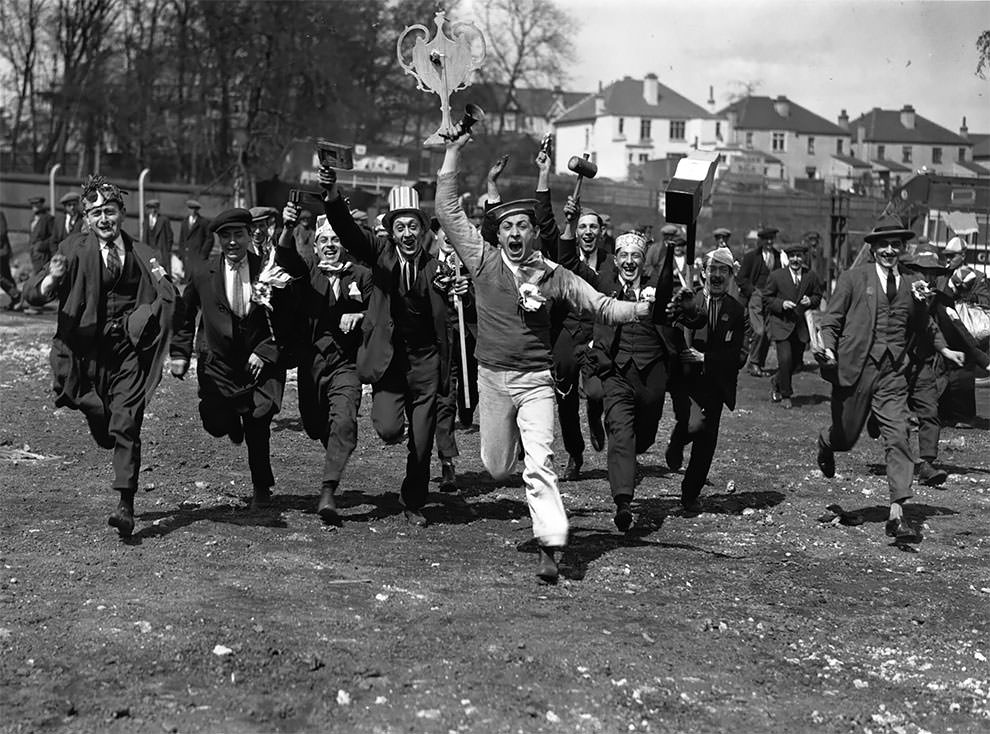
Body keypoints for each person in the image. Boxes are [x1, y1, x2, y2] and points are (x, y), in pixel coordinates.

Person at [435, 132, 651, 583]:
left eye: (523, 227)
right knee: (497, 467)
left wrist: (642, 308)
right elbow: (447, 211)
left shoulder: (555, 276)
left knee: (540, 463)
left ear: (535, 232)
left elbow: (602, 306)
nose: (515, 233)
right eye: (507, 227)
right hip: (492, 379)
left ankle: (551, 545)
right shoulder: (482, 260)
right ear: (499, 233)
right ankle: (509, 453)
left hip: (535, 381)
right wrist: (454, 151)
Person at [21, 176, 175, 537]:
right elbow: (34, 292)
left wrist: (154, 314)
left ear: (122, 213)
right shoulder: (73, 248)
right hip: (86, 354)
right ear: (86, 219)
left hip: (127, 353)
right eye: (96, 214)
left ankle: (125, 503)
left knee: (126, 422)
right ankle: (98, 417)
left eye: (110, 211)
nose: (104, 219)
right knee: (102, 422)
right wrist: (51, 280)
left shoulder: (144, 253)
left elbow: (166, 293)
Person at [318, 170, 451, 528]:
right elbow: (347, 230)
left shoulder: (437, 269)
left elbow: (450, 311)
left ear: (423, 231)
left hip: (425, 362)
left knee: (422, 444)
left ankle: (413, 501)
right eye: (400, 228)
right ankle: (397, 425)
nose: (407, 234)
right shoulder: (380, 255)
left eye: (413, 227)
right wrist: (332, 194)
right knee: (389, 429)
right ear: (391, 232)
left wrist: (457, 293)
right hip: (389, 361)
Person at [815, 221, 948, 541]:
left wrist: (946, 349)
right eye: (884, 245)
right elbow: (831, 321)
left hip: (892, 374)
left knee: (899, 434)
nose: (890, 250)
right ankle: (826, 441)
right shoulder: (852, 279)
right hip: (855, 369)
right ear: (874, 248)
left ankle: (897, 513)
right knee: (846, 437)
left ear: (902, 249)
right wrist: (827, 349)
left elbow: (925, 325)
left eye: (896, 245)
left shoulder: (912, 284)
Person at [169, 208, 293, 510]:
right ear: (219, 239)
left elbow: (287, 321)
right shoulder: (203, 273)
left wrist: (266, 352)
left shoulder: (266, 269)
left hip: (257, 363)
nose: (232, 242)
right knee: (215, 422)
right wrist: (179, 354)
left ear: (250, 235)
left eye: (238, 234)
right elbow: (185, 317)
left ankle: (262, 487)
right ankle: (230, 419)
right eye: (226, 236)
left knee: (258, 424)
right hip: (218, 367)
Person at [277, 208, 372, 524]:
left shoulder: (361, 276)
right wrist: (288, 227)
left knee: (343, 421)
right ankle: (334, 443)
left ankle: (328, 491)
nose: (330, 245)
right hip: (311, 365)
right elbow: (286, 256)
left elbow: (381, 315)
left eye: (335, 239)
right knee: (316, 425)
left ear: (343, 244)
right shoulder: (307, 276)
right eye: (324, 241)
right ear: (315, 247)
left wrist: (360, 316)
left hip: (346, 365)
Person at [584, 232, 671, 531]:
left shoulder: (659, 287)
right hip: (616, 373)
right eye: (624, 256)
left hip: (651, 375)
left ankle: (633, 453)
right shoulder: (605, 286)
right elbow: (571, 263)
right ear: (616, 259)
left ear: (643, 261)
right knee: (620, 432)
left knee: (642, 438)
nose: (629, 262)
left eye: (635, 256)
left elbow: (683, 314)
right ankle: (623, 502)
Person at [664, 247, 747, 512]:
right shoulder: (690, 299)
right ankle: (677, 443)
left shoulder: (737, 311)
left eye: (724, 270)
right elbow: (671, 332)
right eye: (713, 269)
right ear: (703, 272)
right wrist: (682, 354)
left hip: (716, 383)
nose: (717, 275)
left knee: (706, 441)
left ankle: (690, 494)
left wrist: (705, 358)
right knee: (693, 424)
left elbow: (739, 354)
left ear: (731, 275)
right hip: (687, 382)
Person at [897, 243, 969, 487]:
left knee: (930, 411)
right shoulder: (897, 293)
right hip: (894, 363)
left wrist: (953, 352)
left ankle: (927, 464)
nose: (928, 278)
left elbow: (954, 329)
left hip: (924, 364)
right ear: (912, 272)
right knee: (888, 411)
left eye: (934, 274)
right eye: (922, 272)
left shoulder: (940, 300)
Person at [552, 203, 609, 480]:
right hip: (567, 332)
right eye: (583, 227)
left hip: (595, 334)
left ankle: (596, 416)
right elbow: (564, 259)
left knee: (597, 392)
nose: (588, 232)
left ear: (601, 232)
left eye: (593, 227)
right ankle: (575, 454)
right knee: (565, 398)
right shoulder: (568, 259)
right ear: (577, 232)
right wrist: (569, 221)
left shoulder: (610, 263)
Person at [432, 226, 478, 491]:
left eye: (453, 231)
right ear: (436, 236)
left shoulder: (472, 264)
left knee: (469, 393)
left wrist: (467, 296)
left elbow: (481, 303)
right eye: (443, 231)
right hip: (441, 342)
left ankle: (468, 406)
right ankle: (447, 461)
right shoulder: (427, 264)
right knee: (445, 400)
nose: (448, 236)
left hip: (468, 338)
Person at [763, 241, 824, 409]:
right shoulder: (777, 276)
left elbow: (818, 296)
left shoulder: (810, 276)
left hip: (800, 327)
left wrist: (810, 300)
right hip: (781, 324)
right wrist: (781, 304)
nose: (795, 259)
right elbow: (767, 298)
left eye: (798, 256)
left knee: (796, 364)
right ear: (788, 258)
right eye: (792, 256)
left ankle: (776, 381)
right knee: (784, 360)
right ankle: (786, 395)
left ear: (803, 257)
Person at [738, 226, 781, 376]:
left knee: (769, 333)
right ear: (761, 241)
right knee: (759, 330)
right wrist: (753, 291)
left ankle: (758, 364)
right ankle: (753, 363)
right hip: (755, 297)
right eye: (766, 239)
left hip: (772, 298)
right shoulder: (751, 257)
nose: (769, 242)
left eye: (772, 239)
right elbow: (741, 278)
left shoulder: (778, 256)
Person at [143, 199, 174, 273]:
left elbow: (170, 236)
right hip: (150, 250)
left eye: (154, 208)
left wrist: (167, 249)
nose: (153, 210)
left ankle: (164, 284)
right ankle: (157, 283)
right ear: (148, 209)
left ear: (157, 209)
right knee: (155, 272)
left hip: (161, 250)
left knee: (163, 272)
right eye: (151, 208)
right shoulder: (146, 221)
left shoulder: (163, 220)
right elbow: (144, 236)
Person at [27, 196, 55, 276]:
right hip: (34, 253)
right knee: (36, 275)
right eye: (32, 204)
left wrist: (41, 246)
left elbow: (53, 237)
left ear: (42, 204)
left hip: (43, 254)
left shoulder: (48, 218)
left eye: (36, 204)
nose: (34, 206)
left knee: (42, 275)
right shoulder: (32, 219)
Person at [178, 199, 210, 268]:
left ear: (197, 210)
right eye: (190, 208)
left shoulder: (203, 222)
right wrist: (181, 254)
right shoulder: (184, 222)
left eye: (194, 209)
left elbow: (209, 239)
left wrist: (203, 255)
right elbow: (182, 239)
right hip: (186, 256)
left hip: (198, 256)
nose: (192, 211)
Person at [0, 210, 20, 310]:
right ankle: (16, 299)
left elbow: (2, 232)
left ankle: (15, 294)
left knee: (2, 276)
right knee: (6, 275)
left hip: (1, 251)